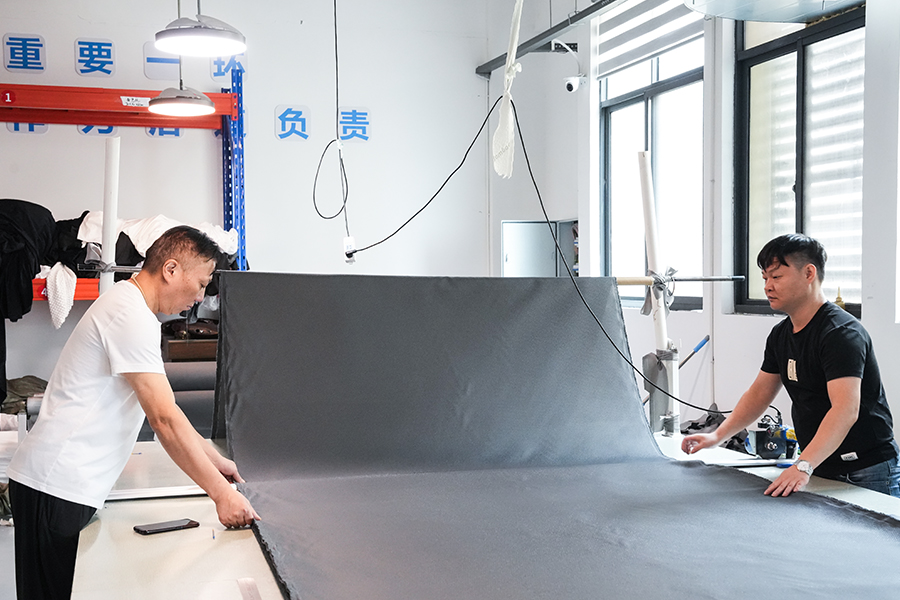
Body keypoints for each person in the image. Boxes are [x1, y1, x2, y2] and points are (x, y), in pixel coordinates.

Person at [7, 225, 260, 599]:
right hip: (54, 485)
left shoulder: (130, 307)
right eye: (201, 283)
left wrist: (214, 458)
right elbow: (163, 419)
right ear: (171, 269)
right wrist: (221, 495)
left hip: (60, 485)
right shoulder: (130, 315)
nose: (200, 297)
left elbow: (169, 410)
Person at [682, 233, 900, 498]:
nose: (768, 287)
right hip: (819, 464)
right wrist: (717, 436)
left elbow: (845, 410)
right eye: (765, 278)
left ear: (809, 273)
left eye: (776, 277)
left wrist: (803, 465)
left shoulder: (840, 334)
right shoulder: (780, 335)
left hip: (866, 469)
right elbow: (759, 394)